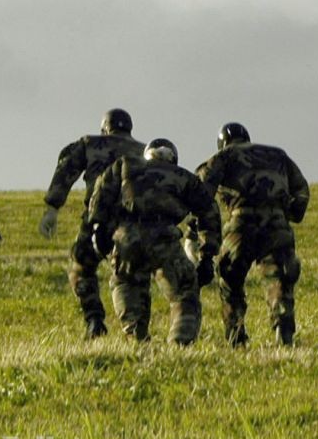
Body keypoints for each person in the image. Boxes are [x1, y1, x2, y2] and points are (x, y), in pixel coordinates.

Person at [84, 137, 220, 345]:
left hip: (127, 238)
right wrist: (207, 255)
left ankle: (136, 339)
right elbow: (209, 212)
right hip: (163, 236)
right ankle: (179, 343)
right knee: (185, 293)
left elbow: (101, 194)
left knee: (127, 283)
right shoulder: (183, 177)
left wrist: (98, 229)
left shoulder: (124, 165)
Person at [196, 122, 311, 346]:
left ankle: (235, 334)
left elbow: (201, 186)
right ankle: (283, 332)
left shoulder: (225, 155)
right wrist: (290, 213)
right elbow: (301, 190)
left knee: (230, 279)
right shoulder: (278, 155)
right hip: (277, 225)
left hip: (241, 224)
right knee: (280, 279)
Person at [38, 108, 145, 338]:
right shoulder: (142, 150)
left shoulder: (90, 144)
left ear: (105, 127)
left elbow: (65, 170)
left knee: (81, 268)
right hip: (134, 221)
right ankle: (136, 328)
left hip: (97, 218)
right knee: (131, 277)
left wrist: (52, 208)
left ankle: (94, 319)